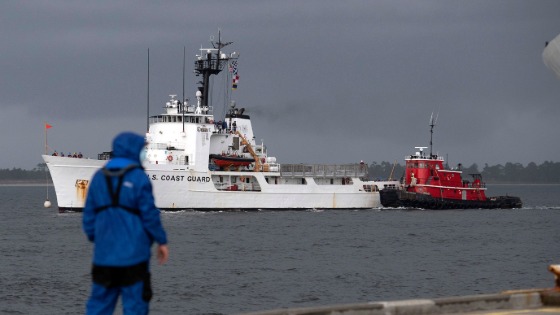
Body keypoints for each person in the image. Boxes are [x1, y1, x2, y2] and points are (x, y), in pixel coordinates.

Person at [83, 132, 169, 315]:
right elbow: (150, 215)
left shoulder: (98, 177)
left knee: (99, 306)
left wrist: (99, 239)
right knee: (135, 306)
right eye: (142, 149)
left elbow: (88, 217)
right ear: (134, 150)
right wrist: (161, 241)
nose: (144, 153)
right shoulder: (138, 177)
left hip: (104, 258)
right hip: (134, 257)